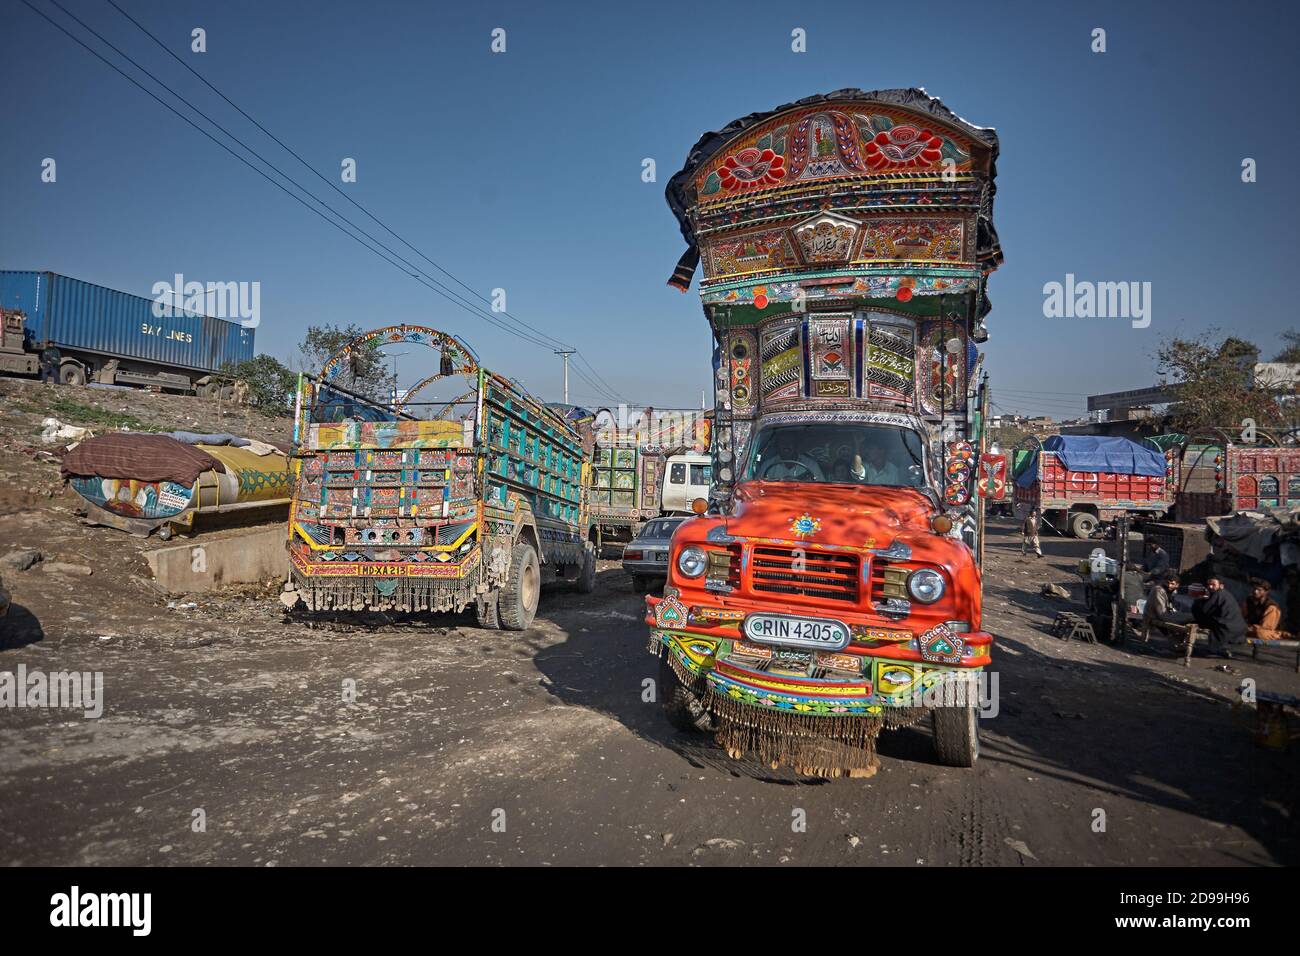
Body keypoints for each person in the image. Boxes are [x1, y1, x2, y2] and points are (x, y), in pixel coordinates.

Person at [1192, 577, 1248, 658]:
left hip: (1227, 627)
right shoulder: (1223, 593)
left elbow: (1205, 610)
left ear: (1221, 586)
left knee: (1197, 618)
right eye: (1209, 584)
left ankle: (1216, 649)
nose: (1210, 587)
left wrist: (1198, 601)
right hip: (1237, 627)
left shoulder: (1218, 594)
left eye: (1213, 585)